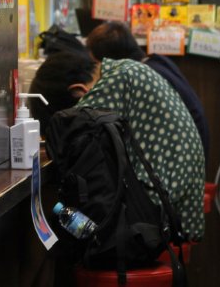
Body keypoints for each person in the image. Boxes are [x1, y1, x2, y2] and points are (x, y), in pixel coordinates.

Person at [30, 51, 205, 242]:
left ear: (79, 92)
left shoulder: (116, 81)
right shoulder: (125, 68)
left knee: (72, 227)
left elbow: (68, 137)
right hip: (178, 210)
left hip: (164, 219)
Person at [85, 21, 210, 161]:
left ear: (111, 61)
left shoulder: (140, 78)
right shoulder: (157, 62)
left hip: (182, 161)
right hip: (194, 153)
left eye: (97, 64)